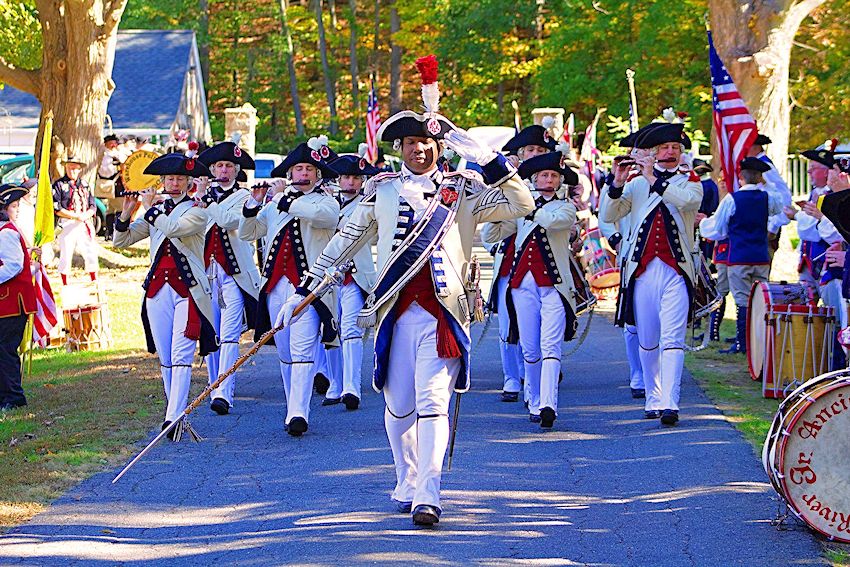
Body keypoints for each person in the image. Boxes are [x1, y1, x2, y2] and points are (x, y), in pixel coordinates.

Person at [279, 55, 534, 526]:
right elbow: (344, 241)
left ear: (441, 145)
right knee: (399, 407)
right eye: (412, 142)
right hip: (394, 311)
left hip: (443, 313)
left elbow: (522, 202)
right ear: (400, 148)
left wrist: (484, 155)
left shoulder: (466, 190)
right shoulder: (381, 191)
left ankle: (429, 492)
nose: (420, 149)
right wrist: (305, 290)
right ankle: (407, 475)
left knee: (435, 402)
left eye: (428, 141)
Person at [237, 138, 341, 437]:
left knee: (303, 348)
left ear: (318, 173)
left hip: (308, 287)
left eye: (309, 169)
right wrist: (253, 205)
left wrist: (285, 201)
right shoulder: (275, 206)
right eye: (298, 169)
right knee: (284, 351)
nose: (304, 174)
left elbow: (326, 217)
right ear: (290, 173)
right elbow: (249, 233)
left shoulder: (325, 201)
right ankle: (291, 405)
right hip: (275, 285)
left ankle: (299, 411)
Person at [112, 151, 219, 440]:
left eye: (180, 179)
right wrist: (126, 211)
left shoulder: (197, 212)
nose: (174, 183)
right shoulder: (155, 212)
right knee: (166, 357)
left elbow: (172, 229)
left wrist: (150, 209)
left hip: (188, 290)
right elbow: (121, 240)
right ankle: (175, 413)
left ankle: (172, 417)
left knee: (182, 353)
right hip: (158, 289)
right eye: (170, 178)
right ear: (162, 181)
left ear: (188, 183)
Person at [602, 122, 702, 426]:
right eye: (665, 148)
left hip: (676, 270)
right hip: (642, 271)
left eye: (675, 147)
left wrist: (652, 178)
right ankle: (653, 396)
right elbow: (610, 215)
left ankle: (670, 402)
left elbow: (687, 202)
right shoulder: (635, 183)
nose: (671, 152)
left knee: (672, 339)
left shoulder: (689, 181)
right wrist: (617, 185)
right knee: (647, 340)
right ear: (655, 152)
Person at [482, 152, 579, 428]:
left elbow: (553, 222)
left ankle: (549, 403)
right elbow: (491, 236)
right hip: (522, 284)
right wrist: (497, 209)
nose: (549, 180)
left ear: (560, 180)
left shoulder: (565, 207)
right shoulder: (522, 208)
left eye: (554, 176)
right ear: (534, 179)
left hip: (555, 286)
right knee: (530, 348)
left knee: (551, 347)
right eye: (544, 175)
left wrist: (526, 205)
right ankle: (533, 399)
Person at [484, 124, 556, 403]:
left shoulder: (554, 179)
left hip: (546, 259)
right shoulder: (507, 180)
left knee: (546, 322)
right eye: (530, 150)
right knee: (507, 325)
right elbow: (491, 226)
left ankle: (537, 374)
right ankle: (511, 376)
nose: (535, 154)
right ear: (519, 153)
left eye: (540, 150)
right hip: (510, 259)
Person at [195, 141, 262, 416]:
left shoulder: (244, 197)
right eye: (220, 166)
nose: (224, 171)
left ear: (236, 170)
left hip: (234, 274)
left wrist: (206, 201)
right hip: (205, 272)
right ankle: (214, 385)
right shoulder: (198, 196)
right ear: (212, 169)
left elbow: (228, 222)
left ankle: (224, 390)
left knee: (231, 333)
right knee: (212, 331)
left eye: (229, 166)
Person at [699, 157, 783, 354]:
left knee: (743, 300)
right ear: (759, 177)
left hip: (738, 257)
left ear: (740, 177)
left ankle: (743, 343)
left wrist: (704, 224)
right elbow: (779, 206)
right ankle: (757, 340)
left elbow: (717, 230)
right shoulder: (767, 198)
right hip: (761, 256)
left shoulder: (732, 199)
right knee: (761, 299)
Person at [323, 151, 380, 410]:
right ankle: (335, 383)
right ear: (338, 179)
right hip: (327, 277)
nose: (351, 183)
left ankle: (351, 387)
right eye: (346, 177)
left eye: (356, 177)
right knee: (330, 330)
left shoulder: (369, 204)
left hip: (356, 276)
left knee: (351, 331)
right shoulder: (326, 204)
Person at [0, 184, 38, 411]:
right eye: (13, 206)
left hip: (11, 302)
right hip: (9, 302)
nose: (17, 210)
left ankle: (13, 397)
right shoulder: (5, 231)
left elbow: (14, 265)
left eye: (17, 205)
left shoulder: (6, 233)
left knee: (5, 350)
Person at [53, 155, 99, 285]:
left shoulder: (84, 185)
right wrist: (74, 216)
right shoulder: (59, 185)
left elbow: (92, 205)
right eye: (70, 168)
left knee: (90, 251)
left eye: (75, 169)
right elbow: (57, 207)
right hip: (68, 222)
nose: (72, 171)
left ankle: (94, 279)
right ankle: (65, 282)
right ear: (66, 168)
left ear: (80, 170)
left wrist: (86, 215)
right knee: (66, 252)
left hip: (84, 222)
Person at [747, 134, 792, 265]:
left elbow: (783, 197)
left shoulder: (764, 167)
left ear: (755, 147)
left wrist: (773, 227)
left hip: (765, 228)